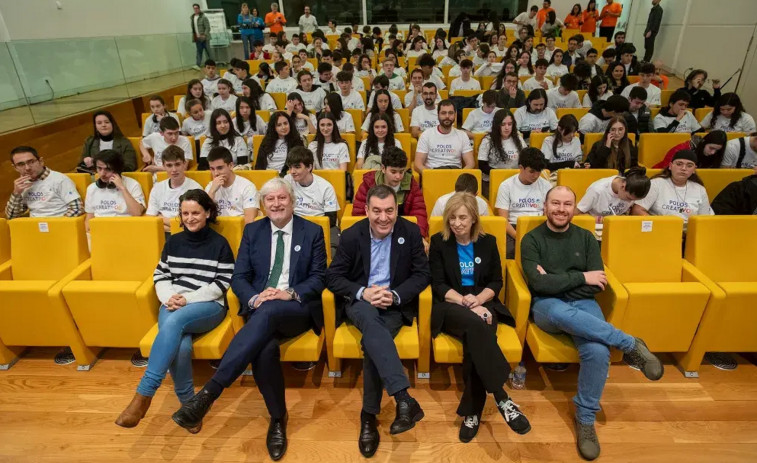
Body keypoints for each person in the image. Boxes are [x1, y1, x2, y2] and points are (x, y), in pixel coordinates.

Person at [172, 177, 326, 461]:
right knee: (264, 349)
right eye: (270, 200)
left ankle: (210, 392)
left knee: (269, 311)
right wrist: (255, 298)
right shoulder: (253, 231)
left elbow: (319, 278)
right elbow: (239, 278)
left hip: (296, 308)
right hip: (260, 309)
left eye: (282, 198)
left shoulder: (312, 231)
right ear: (262, 205)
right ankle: (278, 418)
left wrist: (288, 293)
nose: (277, 204)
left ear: (292, 201)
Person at [522, 185, 663, 461]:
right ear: (545, 206)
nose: (561, 209)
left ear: (574, 208)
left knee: (597, 351)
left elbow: (597, 285)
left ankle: (585, 418)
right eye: (555, 203)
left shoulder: (586, 238)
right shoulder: (531, 239)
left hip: (581, 303)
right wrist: (579, 277)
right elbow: (538, 283)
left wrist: (558, 281)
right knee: (560, 313)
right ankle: (630, 343)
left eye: (566, 204)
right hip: (546, 308)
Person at [326, 184, 431, 458]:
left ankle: (368, 417)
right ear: (366, 210)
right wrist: (363, 292)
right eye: (376, 211)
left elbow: (422, 275)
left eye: (389, 211)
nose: (383, 218)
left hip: (395, 306)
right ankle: (402, 399)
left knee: (373, 343)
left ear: (397, 210)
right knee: (373, 326)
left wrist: (395, 296)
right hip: (362, 303)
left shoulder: (410, 232)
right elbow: (333, 277)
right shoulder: (351, 236)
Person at [116, 188, 233, 430]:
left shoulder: (220, 244)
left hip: (207, 305)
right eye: (185, 213)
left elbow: (221, 283)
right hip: (172, 302)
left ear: (208, 212)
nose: (190, 218)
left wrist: (186, 299)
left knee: (174, 322)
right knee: (180, 346)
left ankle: (144, 394)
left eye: (196, 213)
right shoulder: (174, 242)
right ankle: (190, 408)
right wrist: (169, 297)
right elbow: (160, 275)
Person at [429, 192, 530, 443]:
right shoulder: (439, 243)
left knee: (477, 336)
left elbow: (497, 281)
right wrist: (465, 301)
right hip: (452, 305)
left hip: (484, 303)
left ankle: (471, 412)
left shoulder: (488, 242)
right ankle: (501, 396)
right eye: (452, 218)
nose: (457, 223)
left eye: (462, 217)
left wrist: (480, 300)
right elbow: (438, 284)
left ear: (474, 218)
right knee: (478, 325)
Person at [353, 147, 428, 237]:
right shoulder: (369, 183)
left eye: (401, 172)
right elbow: (359, 213)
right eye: (393, 172)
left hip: (404, 231)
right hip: (374, 231)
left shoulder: (411, 184)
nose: (398, 177)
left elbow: (419, 213)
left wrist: (419, 236)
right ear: (383, 168)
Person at [632, 150, 714, 229]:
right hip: (659, 229)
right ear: (670, 166)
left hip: (688, 232)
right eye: (679, 164)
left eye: (689, 166)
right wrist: (660, 226)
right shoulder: (656, 184)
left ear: (694, 170)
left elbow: (704, 220)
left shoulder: (700, 189)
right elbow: (637, 210)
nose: (684, 168)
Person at [495, 147, 552, 259]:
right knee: (507, 253)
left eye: (539, 171)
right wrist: (519, 236)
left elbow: (548, 215)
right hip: (513, 228)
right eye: (532, 171)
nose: (536, 176)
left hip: (538, 226)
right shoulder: (506, 186)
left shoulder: (546, 186)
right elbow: (503, 220)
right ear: (521, 168)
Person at [5, 145, 82, 220]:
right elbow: (11, 216)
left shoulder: (59, 179)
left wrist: (57, 225)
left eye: (31, 162)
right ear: (15, 168)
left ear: (41, 161)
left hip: (59, 225)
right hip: (35, 227)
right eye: (21, 164)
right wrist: (16, 193)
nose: (27, 168)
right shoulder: (22, 185)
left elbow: (77, 208)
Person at [577, 167, 651, 236]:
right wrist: (598, 219)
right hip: (593, 230)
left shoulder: (631, 190)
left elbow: (624, 213)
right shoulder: (597, 190)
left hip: (617, 229)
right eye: (628, 198)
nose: (630, 202)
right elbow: (576, 213)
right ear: (623, 187)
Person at [146, 146, 203, 235]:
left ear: (184, 164)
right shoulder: (157, 188)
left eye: (177, 164)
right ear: (164, 166)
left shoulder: (195, 188)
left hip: (187, 234)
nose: (174, 170)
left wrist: (161, 219)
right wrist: (175, 226)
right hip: (161, 233)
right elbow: (150, 218)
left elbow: (191, 223)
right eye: (169, 165)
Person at [84, 150, 146, 230]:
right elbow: (89, 218)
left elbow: (137, 213)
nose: (102, 174)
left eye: (108, 169)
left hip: (126, 229)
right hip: (100, 230)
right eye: (99, 168)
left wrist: (122, 188)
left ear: (117, 170)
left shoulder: (132, 184)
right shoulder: (91, 188)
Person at [415, 100, 474, 173]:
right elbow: (418, 164)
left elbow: (470, 163)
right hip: (433, 173)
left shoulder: (462, 135)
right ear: (438, 114)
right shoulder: (426, 135)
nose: (447, 116)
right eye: (443, 113)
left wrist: (459, 175)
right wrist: (430, 175)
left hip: (455, 173)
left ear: (455, 114)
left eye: (450, 113)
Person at [205, 147, 259, 223]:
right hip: (215, 231)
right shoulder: (210, 187)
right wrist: (211, 192)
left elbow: (250, 220)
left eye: (220, 168)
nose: (216, 173)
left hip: (240, 231)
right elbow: (203, 217)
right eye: (212, 169)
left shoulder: (247, 187)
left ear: (231, 166)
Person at [653, 130, 727, 169]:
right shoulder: (682, 149)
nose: (713, 153)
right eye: (711, 148)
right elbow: (666, 169)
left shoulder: (716, 156)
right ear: (704, 143)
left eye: (717, 150)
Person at [191, 4, 212, 69]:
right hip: (197, 38)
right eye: (194, 8)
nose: (195, 9)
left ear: (199, 9)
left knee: (209, 52)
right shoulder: (192, 17)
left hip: (205, 38)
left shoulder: (203, 17)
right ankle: (198, 65)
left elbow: (207, 27)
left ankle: (212, 64)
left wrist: (204, 35)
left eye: (197, 8)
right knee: (199, 52)